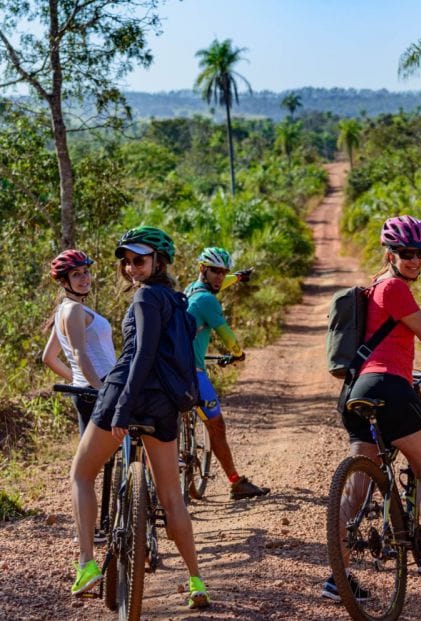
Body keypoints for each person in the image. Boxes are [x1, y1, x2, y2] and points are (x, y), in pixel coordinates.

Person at [322, 215, 421, 602]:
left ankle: (338, 577)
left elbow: (386, 352)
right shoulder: (394, 288)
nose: (415, 260)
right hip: (386, 387)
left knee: (358, 487)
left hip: (355, 392)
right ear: (389, 253)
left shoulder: (372, 290)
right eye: (406, 252)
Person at [69, 227, 210, 609]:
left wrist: (123, 406)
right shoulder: (177, 301)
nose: (131, 268)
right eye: (127, 261)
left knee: (81, 473)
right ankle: (196, 579)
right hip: (165, 405)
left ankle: (86, 565)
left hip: (128, 393)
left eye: (140, 260)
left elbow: (142, 355)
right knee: (171, 497)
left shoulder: (147, 297)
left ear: (158, 261)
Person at [184, 247, 269, 500]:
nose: (221, 277)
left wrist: (238, 278)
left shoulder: (190, 290)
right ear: (203, 269)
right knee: (216, 426)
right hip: (193, 372)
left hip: (174, 370)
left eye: (224, 273)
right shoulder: (208, 301)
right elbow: (227, 337)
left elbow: (217, 286)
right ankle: (236, 482)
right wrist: (239, 354)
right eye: (215, 271)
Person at [43, 250, 116, 434]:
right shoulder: (74, 309)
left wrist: (78, 381)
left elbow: (49, 357)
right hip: (100, 384)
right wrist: (101, 389)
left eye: (86, 271)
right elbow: (79, 353)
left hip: (86, 389)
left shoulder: (64, 310)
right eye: (76, 274)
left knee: (92, 456)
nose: (84, 278)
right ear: (63, 281)